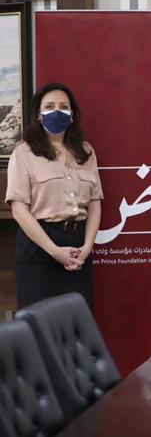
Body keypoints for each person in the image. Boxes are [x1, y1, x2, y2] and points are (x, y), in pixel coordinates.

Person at [6, 83, 103, 309]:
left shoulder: (86, 151)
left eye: (63, 106)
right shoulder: (23, 153)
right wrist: (55, 251)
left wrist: (87, 247)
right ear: (39, 115)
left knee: (76, 323)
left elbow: (95, 203)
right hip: (39, 249)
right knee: (38, 324)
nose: (57, 111)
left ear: (72, 115)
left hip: (78, 249)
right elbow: (19, 210)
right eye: (49, 107)